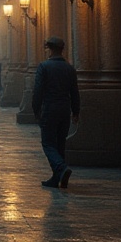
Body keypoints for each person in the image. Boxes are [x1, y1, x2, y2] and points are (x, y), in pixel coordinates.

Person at [32, 36, 80, 188]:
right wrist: (76, 111)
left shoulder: (44, 67)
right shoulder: (69, 68)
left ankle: (61, 168)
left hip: (49, 109)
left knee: (48, 143)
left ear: (50, 49)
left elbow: (38, 90)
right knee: (60, 144)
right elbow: (74, 92)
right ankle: (57, 178)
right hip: (64, 109)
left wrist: (36, 109)